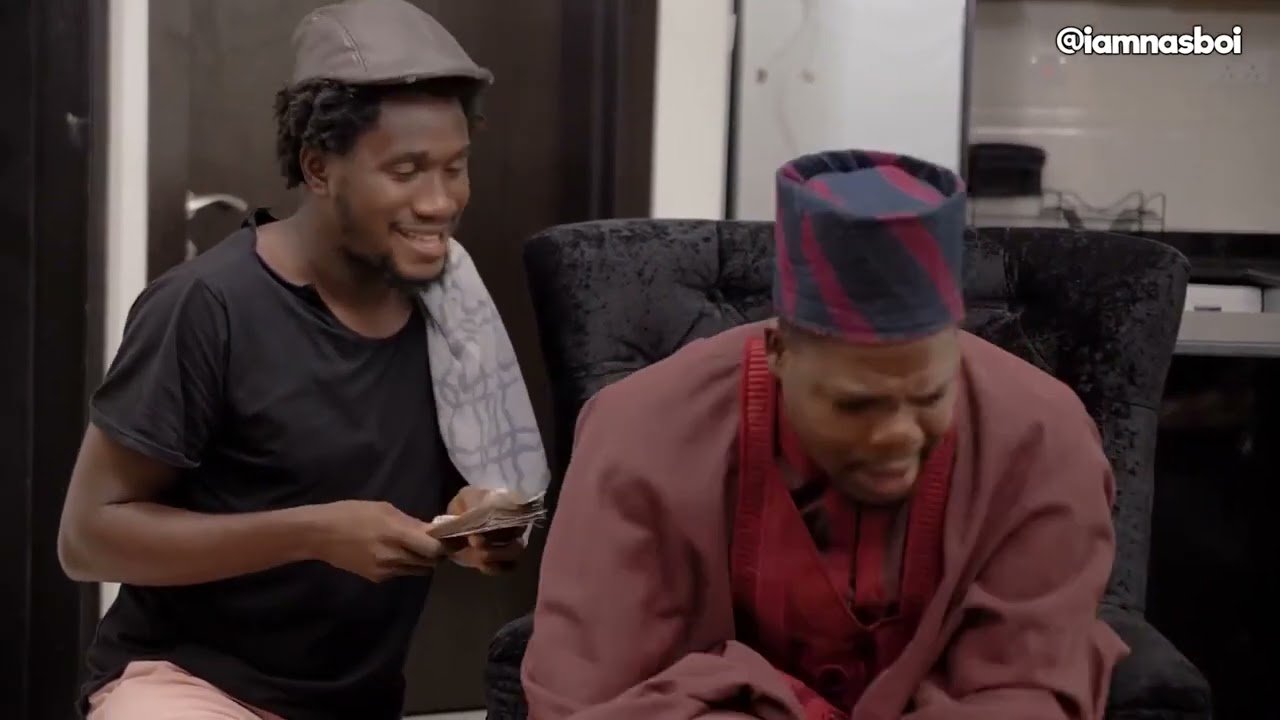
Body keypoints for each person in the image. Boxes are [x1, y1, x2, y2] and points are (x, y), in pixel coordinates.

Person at [57, 1, 547, 719]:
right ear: (318, 168)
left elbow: (465, 483)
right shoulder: (206, 307)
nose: (440, 202)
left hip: (358, 702)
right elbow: (87, 539)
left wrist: (477, 523)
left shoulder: (453, 308)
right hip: (189, 688)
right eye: (406, 170)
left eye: (455, 168)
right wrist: (315, 533)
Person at [521, 150, 1129, 719]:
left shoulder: (1042, 437)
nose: (897, 436)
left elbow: (1027, 686)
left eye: (929, 398)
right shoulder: (641, 433)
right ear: (779, 352)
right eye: (856, 405)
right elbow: (586, 695)